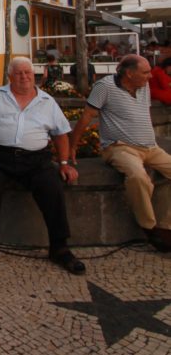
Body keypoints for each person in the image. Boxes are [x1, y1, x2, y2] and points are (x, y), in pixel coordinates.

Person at [0, 56, 85, 274]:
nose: (24, 77)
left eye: (28, 73)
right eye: (19, 73)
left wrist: (65, 163)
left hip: (36, 160)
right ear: (10, 77)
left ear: (34, 75)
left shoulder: (47, 102)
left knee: (53, 189)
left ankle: (60, 248)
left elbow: (61, 134)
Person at [69, 55, 171, 252]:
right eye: (145, 72)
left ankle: (166, 225)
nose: (150, 76)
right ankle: (150, 229)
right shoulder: (105, 86)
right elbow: (86, 117)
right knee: (138, 176)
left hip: (151, 147)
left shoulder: (143, 86)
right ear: (129, 73)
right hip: (119, 147)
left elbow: (142, 115)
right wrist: (72, 146)